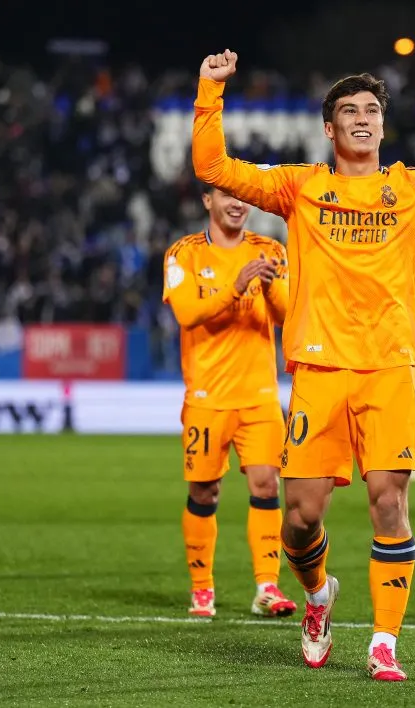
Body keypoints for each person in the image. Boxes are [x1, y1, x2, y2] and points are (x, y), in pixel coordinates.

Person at [193, 48, 415, 681]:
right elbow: (211, 164)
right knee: (299, 520)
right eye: (349, 110)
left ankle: (384, 641)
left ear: (383, 126)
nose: (362, 118)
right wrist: (210, 91)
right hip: (320, 372)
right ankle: (319, 595)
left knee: (389, 504)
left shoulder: (414, 189)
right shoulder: (300, 187)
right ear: (329, 129)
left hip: (388, 369)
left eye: (372, 110)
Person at [161, 184, 297, 620]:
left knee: (266, 485)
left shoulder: (271, 249)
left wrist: (270, 286)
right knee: (205, 490)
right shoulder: (184, 254)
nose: (238, 204)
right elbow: (186, 313)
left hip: (259, 395)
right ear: (207, 201)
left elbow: (287, 315)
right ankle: (202, 588)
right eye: (226, 196)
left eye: (243, 198)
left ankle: (267, 587)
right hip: (207, 396)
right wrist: (236, 287)